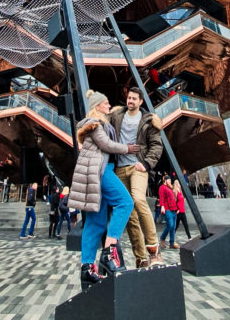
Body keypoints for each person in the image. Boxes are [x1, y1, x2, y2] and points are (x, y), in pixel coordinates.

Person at [70, 89, 137, 290]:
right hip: (100, 172)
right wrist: (129, 148)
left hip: (95, 173)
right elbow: (106, 145)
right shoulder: (95, 125)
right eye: (106, 103)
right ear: (98, 106)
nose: (109, 105)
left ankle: (87, 269)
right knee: (125, 203)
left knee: (95, 222)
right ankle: (110, 250)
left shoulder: (99, 124)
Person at [111, 87, 163, 268]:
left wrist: (147, 164)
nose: (130, 100)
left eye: (134, 98)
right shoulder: (116, 116)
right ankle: (140, 257)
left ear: (141, 102)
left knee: (139, 199)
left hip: (138, 167)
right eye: (129, 97)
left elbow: (156, 145)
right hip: (119, 168)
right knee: (129, 213)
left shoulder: (148, 120)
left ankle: (154, 251)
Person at [159, 175, 179, 249]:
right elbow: (161, 197)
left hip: (173, 210)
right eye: (169, 180)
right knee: (170, 225)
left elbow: (174, 199)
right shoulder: (162, 187)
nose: (170, 181)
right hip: (167, 209)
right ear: (165, 181)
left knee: (173, 227)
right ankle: (162, 237)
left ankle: (172, 243)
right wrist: (162, 206)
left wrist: (177, 209)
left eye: (170, 180)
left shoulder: (170, 188)